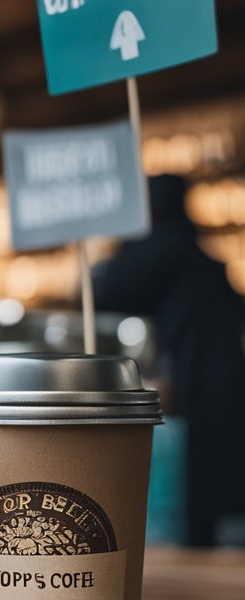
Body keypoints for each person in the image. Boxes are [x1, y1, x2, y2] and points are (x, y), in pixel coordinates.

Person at [95, 175, 245, 547]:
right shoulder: (199, 256)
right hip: (226, 382)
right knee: (212, 487)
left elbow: (104, 292)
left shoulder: (163, 248)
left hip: (192, 383)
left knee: (192, 487)